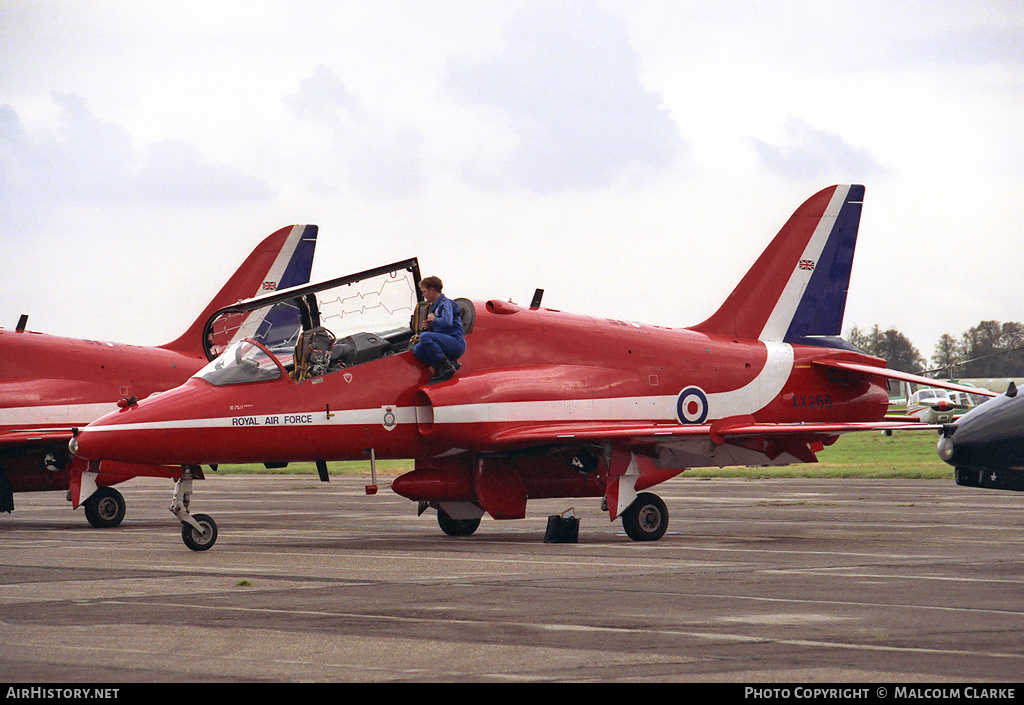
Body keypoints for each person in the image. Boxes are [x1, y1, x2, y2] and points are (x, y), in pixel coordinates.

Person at [414, 276, 466, 383]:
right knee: (418, 349)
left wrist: (434, 318)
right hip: (446, 343)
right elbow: (442, 328)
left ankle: (447, 367)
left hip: (456, 343)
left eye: (424, 292)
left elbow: (447, 322)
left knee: (425, 336)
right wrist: (430, 326)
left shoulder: (445, 303)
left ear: (432, 290)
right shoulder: (436, 306)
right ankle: (450, 363)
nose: (423, 295)